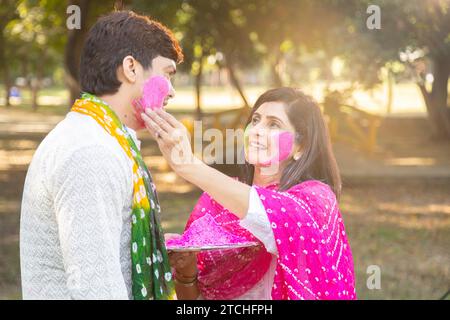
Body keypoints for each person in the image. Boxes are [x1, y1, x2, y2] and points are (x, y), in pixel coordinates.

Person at [20, 11, 183, 300]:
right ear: (131, 68)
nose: (171, 91)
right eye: (167, 73)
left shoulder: (102, 135)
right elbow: (96, 290)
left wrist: (155, 247)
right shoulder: (91, 150)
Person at [142, 87, 357, 300]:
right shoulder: (216, 201)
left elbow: (270, 216)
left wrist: (188, 165)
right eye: (255, 120)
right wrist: (187, 270)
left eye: (273, 124)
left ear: (300, 147)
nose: (256, 131)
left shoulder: (314, 200)